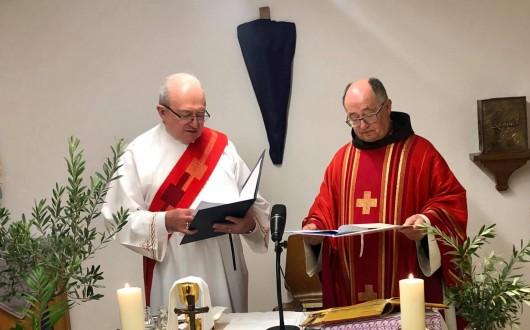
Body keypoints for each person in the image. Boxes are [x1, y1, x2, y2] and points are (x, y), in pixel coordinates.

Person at [301, 78, 468, 328]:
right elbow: (322, 211)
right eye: (353, 117)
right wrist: (314, 233)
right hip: (350, 289)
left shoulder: (421, 154)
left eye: (369, 114)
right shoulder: (341, 161)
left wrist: (425, 222)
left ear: (388, 106)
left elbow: (451, 200)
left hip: (406, 282)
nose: (362, 124)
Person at [102, 73, 270, 312]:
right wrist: (164, 221)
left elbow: (256, 204)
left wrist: (249, 225)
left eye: (201, 114)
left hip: (225, 267)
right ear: (162, 112)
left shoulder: (220, 147)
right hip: (175, 270)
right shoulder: (138, 154)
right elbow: (117, 219)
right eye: (186, 115)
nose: (196, 123)